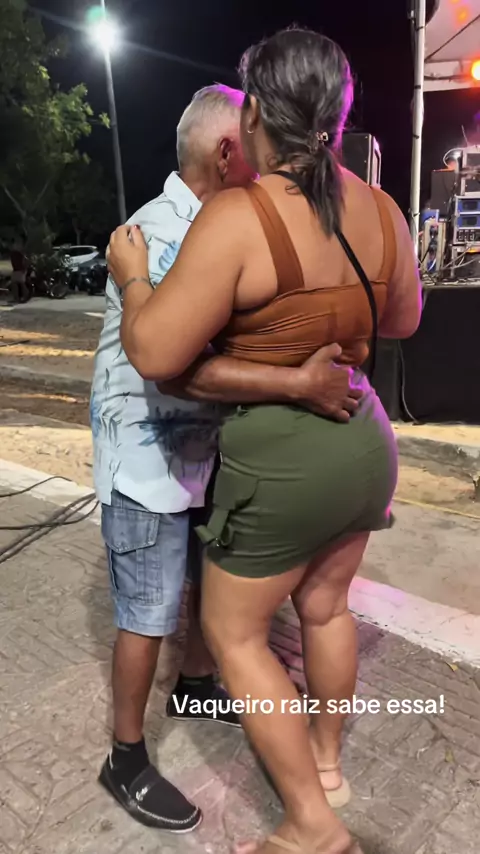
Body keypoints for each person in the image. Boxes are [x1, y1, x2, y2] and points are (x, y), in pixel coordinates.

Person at [107, 31, 422, 850]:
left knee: (235, 634)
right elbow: (403, 319)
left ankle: (311, 824)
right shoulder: (381, 208)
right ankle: (326, 764)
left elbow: (155, 353)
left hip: (284, 462)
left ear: (256, 119)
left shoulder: (238, 215)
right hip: (363, 442)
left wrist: (134, 278)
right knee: (326, 608)